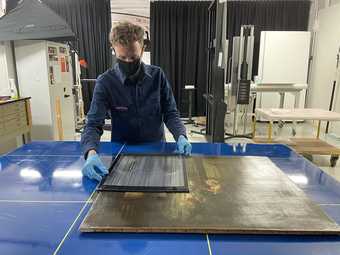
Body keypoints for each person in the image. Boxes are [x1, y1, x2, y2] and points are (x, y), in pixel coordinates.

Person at [80, 22, 192, 182]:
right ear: (113, 50)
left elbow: (170, 113)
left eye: (133, 57)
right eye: (122, 58)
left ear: (142, 49)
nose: (128, 61)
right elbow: (93, 124)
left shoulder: (157, 76)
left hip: (156, 148)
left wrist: (181, 135)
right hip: (121, 151)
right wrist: (90, 153)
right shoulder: (106, 82)